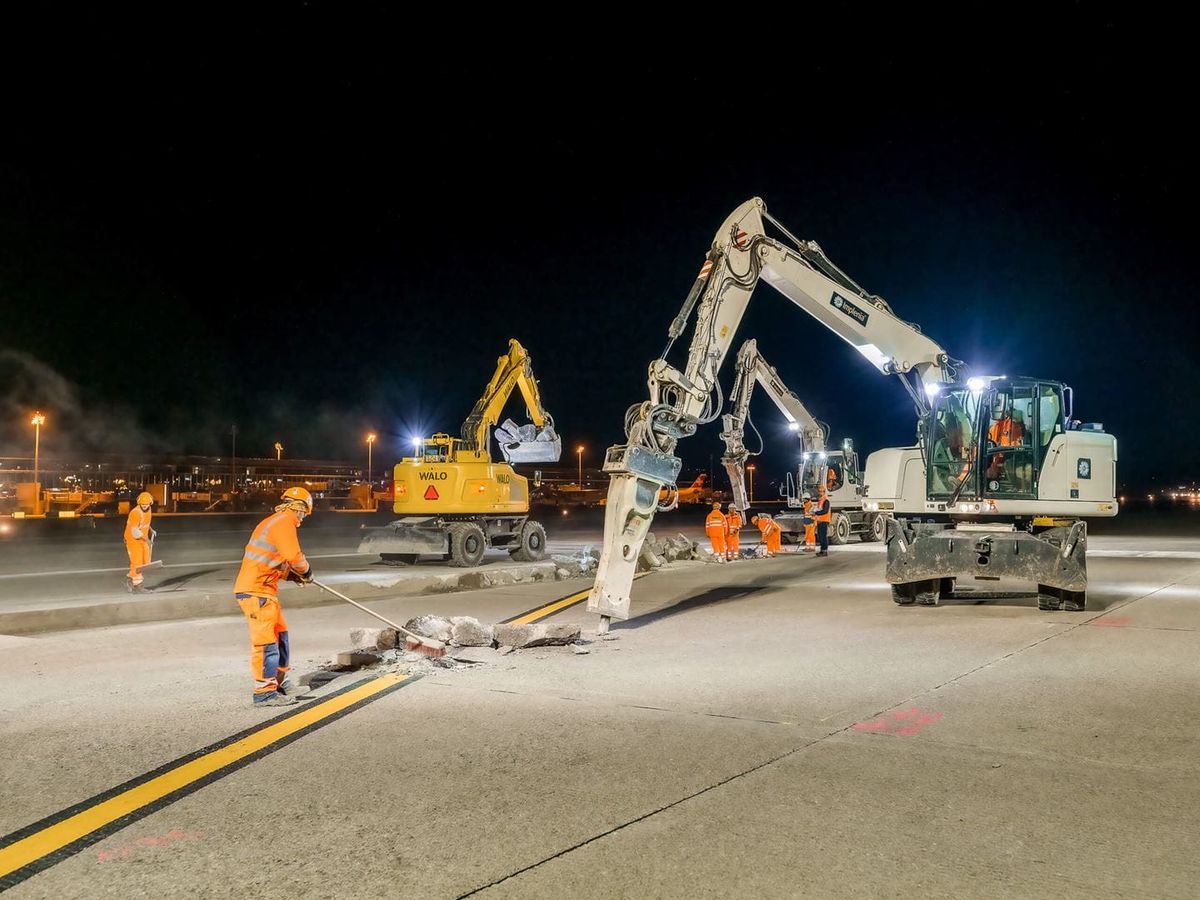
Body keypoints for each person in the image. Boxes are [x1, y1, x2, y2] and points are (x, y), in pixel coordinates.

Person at [233, 487, 315, 708]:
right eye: (304, 513)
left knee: (281, 636)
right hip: (255, 591)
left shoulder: (274, 522)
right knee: (266, 643)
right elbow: (293, 556)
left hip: (265, 589)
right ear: (301, 509)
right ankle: (264, 692)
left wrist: (291, 576)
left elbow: (272, 561)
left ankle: (279, 683)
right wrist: (305, 571)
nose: (303, 518)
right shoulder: (285, 521)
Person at [124, 491, 156, 593]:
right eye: (143, 504)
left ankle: (130, 579)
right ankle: (138, 587)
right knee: (137, 563)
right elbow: (135, 532)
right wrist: (147, 540)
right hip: (133, 539)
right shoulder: (135, 512)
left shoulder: (148, 509)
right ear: (139, 503)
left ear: (150, 503)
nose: (145, 506)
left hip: (142, 538)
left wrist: (151, 530)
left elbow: (144, 522)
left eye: (146, 504)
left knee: (145, 562)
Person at [813, 485, 832, 557]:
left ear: (824, 492)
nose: (820, 493)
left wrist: (816, 512)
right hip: (820, 520)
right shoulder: (821, 500)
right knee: (820, 536)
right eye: (819, 491)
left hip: (824, 520)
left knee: (823, 536)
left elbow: (825, 511)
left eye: (821, 491)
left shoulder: (825, 500)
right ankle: (822, 550)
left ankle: (824, 551)